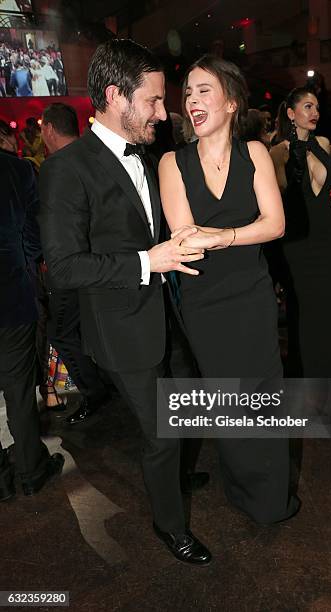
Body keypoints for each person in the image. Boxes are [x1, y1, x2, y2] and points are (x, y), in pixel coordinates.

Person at [38, 39, 211, 566]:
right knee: (160, 433)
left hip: (167, 315)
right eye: (155, 101)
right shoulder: (67, 169)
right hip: (121, 328)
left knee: (182, 413)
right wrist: (146, 262)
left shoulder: (149, 153)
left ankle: (175, 473)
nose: (164, 111)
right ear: (116, 96)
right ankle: (170, 525)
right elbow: (64, 267)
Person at [159, 55, 300, 525]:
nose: (192, 100)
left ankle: (272, 499)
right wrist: (229, 233)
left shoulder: (255, 153)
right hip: (205, 303)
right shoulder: (171, 163)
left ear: (231, 102)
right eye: (188, 93)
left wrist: (223, 235)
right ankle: (243, 491)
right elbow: (185, 239)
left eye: (203, 91)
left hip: (253, 296)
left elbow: (276, 225)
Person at [40, 102, 111, 422]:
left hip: (74, 266)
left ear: (49, 129)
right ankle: (105, 383)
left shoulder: (55, 167)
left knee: (63, 333)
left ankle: (95, 390)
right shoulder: (95, 158)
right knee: (88, 327)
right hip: (102, 263)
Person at [0, 148, 64, 503]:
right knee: (20, 391)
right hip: (10, 296)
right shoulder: (16, 169)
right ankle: (30, 471)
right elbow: (35, 236)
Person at [270, 87, 331, 377]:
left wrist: (304, 149)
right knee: (303, 309)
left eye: (316, 107)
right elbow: (278, 194)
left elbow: (320, 183)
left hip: (326, 237)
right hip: (297, 242)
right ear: (291, 113)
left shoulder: (323, 143)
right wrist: (291, 155)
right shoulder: (275, 152)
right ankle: (304, 372)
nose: (315, 113)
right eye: (307, 107)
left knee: (329, 306)